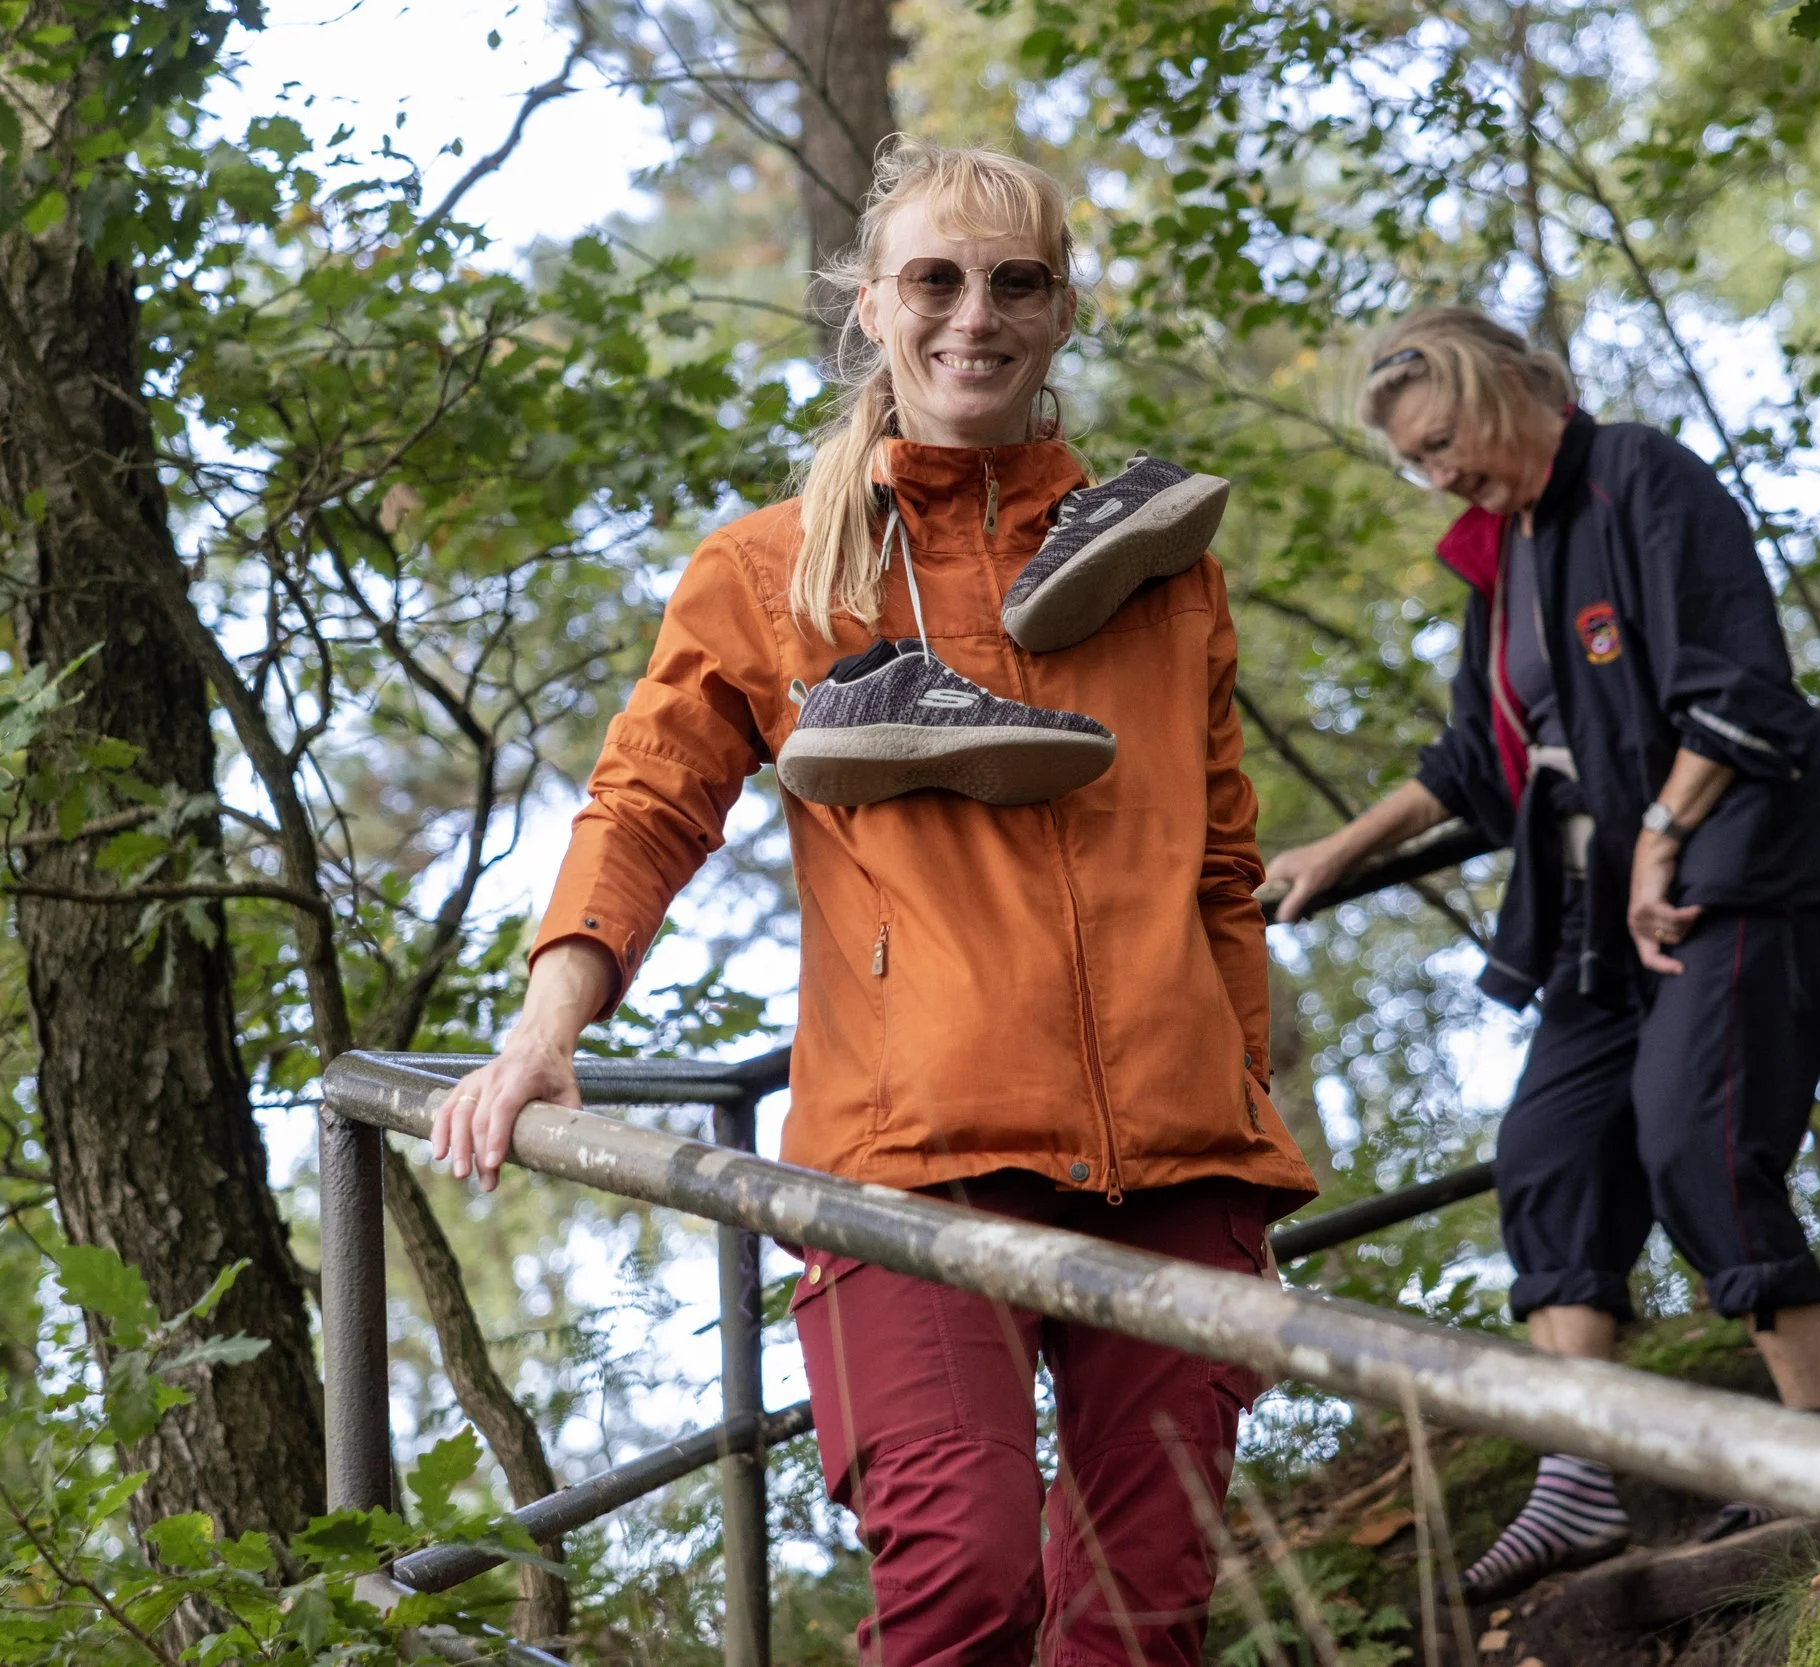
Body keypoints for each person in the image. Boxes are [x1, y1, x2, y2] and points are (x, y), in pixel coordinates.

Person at [430, 140, 1315, 1666]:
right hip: (910, 1169)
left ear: (1062, 314)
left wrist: (1248, 1143)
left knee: (1137, 1623)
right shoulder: (772, 570)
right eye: (936, 280)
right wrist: (544, 1024)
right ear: (867, 305)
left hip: (1181, 1166)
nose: (976, 315)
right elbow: (645, 802)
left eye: (1016, 282)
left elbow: (1220, 868)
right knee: (966, 1575)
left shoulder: (1162, 572)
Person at [1266, 308, 1820, 1603]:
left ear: (1509, 390)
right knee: (1549, 1150)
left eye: (1444, 444)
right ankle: (1582, 1473)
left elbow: (1741, 685)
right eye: (1416, 464)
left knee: (1692, 1134)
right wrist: (1338, 849)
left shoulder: (1645, 477)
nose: (1439, 476)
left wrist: (1666, 832)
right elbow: (1468, 763)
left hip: (1733, 867)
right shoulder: (1506, 564)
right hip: (1598, 913)